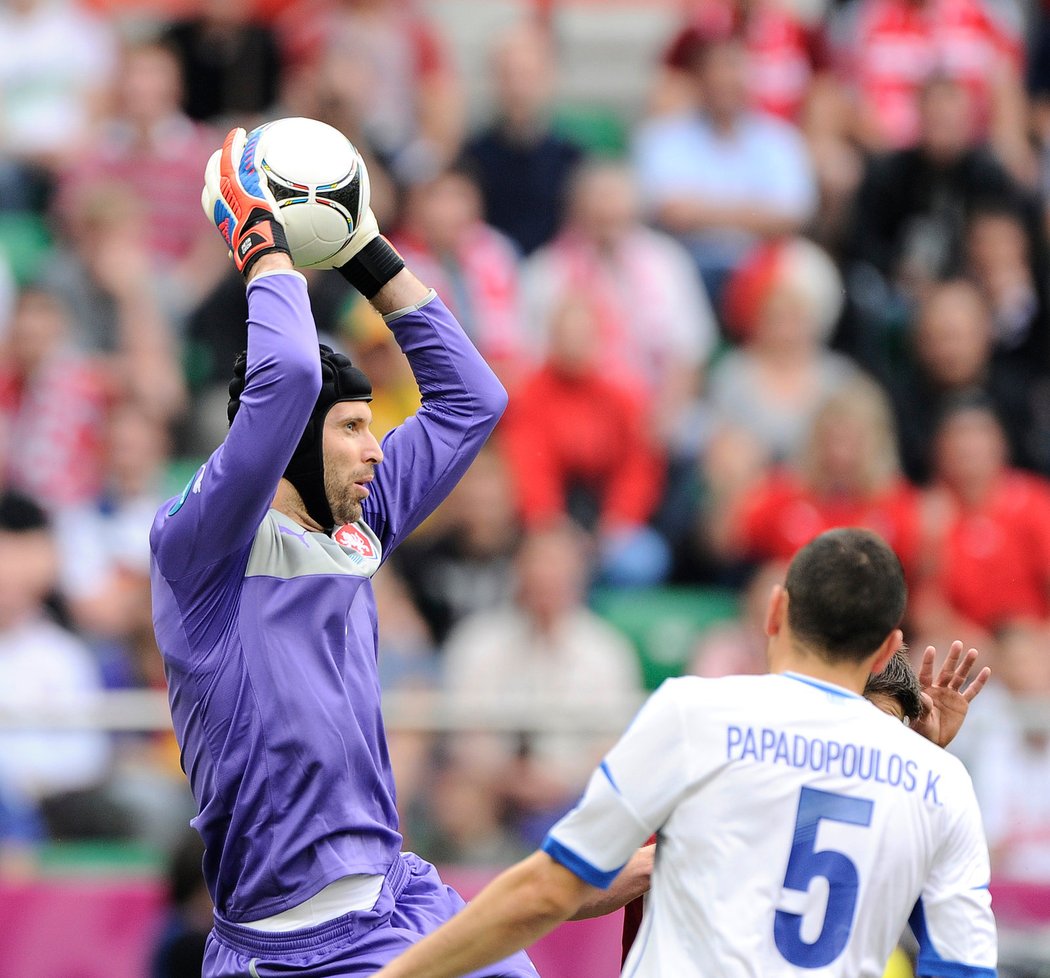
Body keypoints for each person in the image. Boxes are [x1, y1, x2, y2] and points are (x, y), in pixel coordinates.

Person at [149, 127, 553, 977]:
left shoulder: (356, 524)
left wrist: (365, 247)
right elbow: (290, 375)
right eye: (355, 428)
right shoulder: (202, 548)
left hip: (400, 895)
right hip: (289, 941)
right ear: (287, 440)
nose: (378, 449)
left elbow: (473, 399)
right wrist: (259, 238)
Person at [371, 528, 997, 978]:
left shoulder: (695, 716)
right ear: (890, 647)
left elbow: (551, 888)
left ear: (776, 612)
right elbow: (963, 966)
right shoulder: (938, 778)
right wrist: (914, 758)